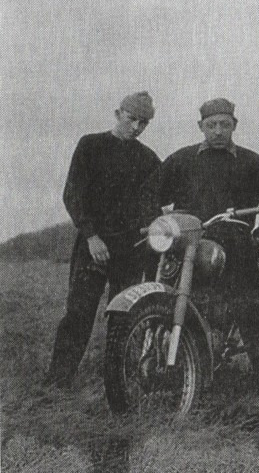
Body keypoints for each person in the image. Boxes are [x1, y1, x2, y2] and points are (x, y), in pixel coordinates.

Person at [159, 98, 259, 389]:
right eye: (211, 125)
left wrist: (258, 237)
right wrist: (164, 231)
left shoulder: (252, 163)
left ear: (234, 126)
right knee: (181, 304)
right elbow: (151, 196)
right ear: (200, 126)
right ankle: (184, 372)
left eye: (224, 125)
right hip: (188, 248)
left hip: (237, 249)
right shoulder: (181, 160)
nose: (218, 131)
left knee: (251, 313)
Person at [46, 92, 161, 388]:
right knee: (78, 314)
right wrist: (91, 236)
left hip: (131, 250)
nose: (136, 127)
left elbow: (155, 203)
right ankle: (57, 381)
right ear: (117, 113)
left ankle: (118, 381)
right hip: (94, 246)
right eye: (131, 119)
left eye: (144, 123)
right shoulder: (91, 145)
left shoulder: (147, 158)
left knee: (124, 318)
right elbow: (72, 194)